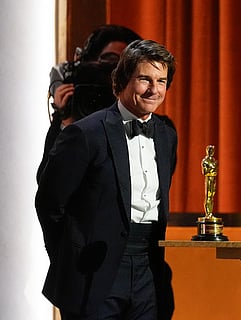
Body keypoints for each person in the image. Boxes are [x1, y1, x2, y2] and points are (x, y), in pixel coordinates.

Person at [35, 39, 177, 320]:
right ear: (123, 80)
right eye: (145, 79)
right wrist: (69, 259)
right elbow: (49, 204)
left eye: (161, 81)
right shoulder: (86, 134)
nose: (154, 90)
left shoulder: (166, 135)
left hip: (149, 268)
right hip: (93, 273)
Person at [38, 25, 143, 183]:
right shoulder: (73, 114)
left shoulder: (158, 132)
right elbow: (49, 186)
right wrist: (66, 121)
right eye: (111, 61)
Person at [202, 145, 218, 218]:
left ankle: (210, 213)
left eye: (212, 151)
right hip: (209, 178)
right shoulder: (205, 161)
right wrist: (212, 171)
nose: (211, 152)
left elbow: (216, 170)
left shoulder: (214, 161)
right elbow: (205, 172)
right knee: (208, 196)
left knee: (212, 196)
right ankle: (208, 213)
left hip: (213, 178)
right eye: (210, 150)